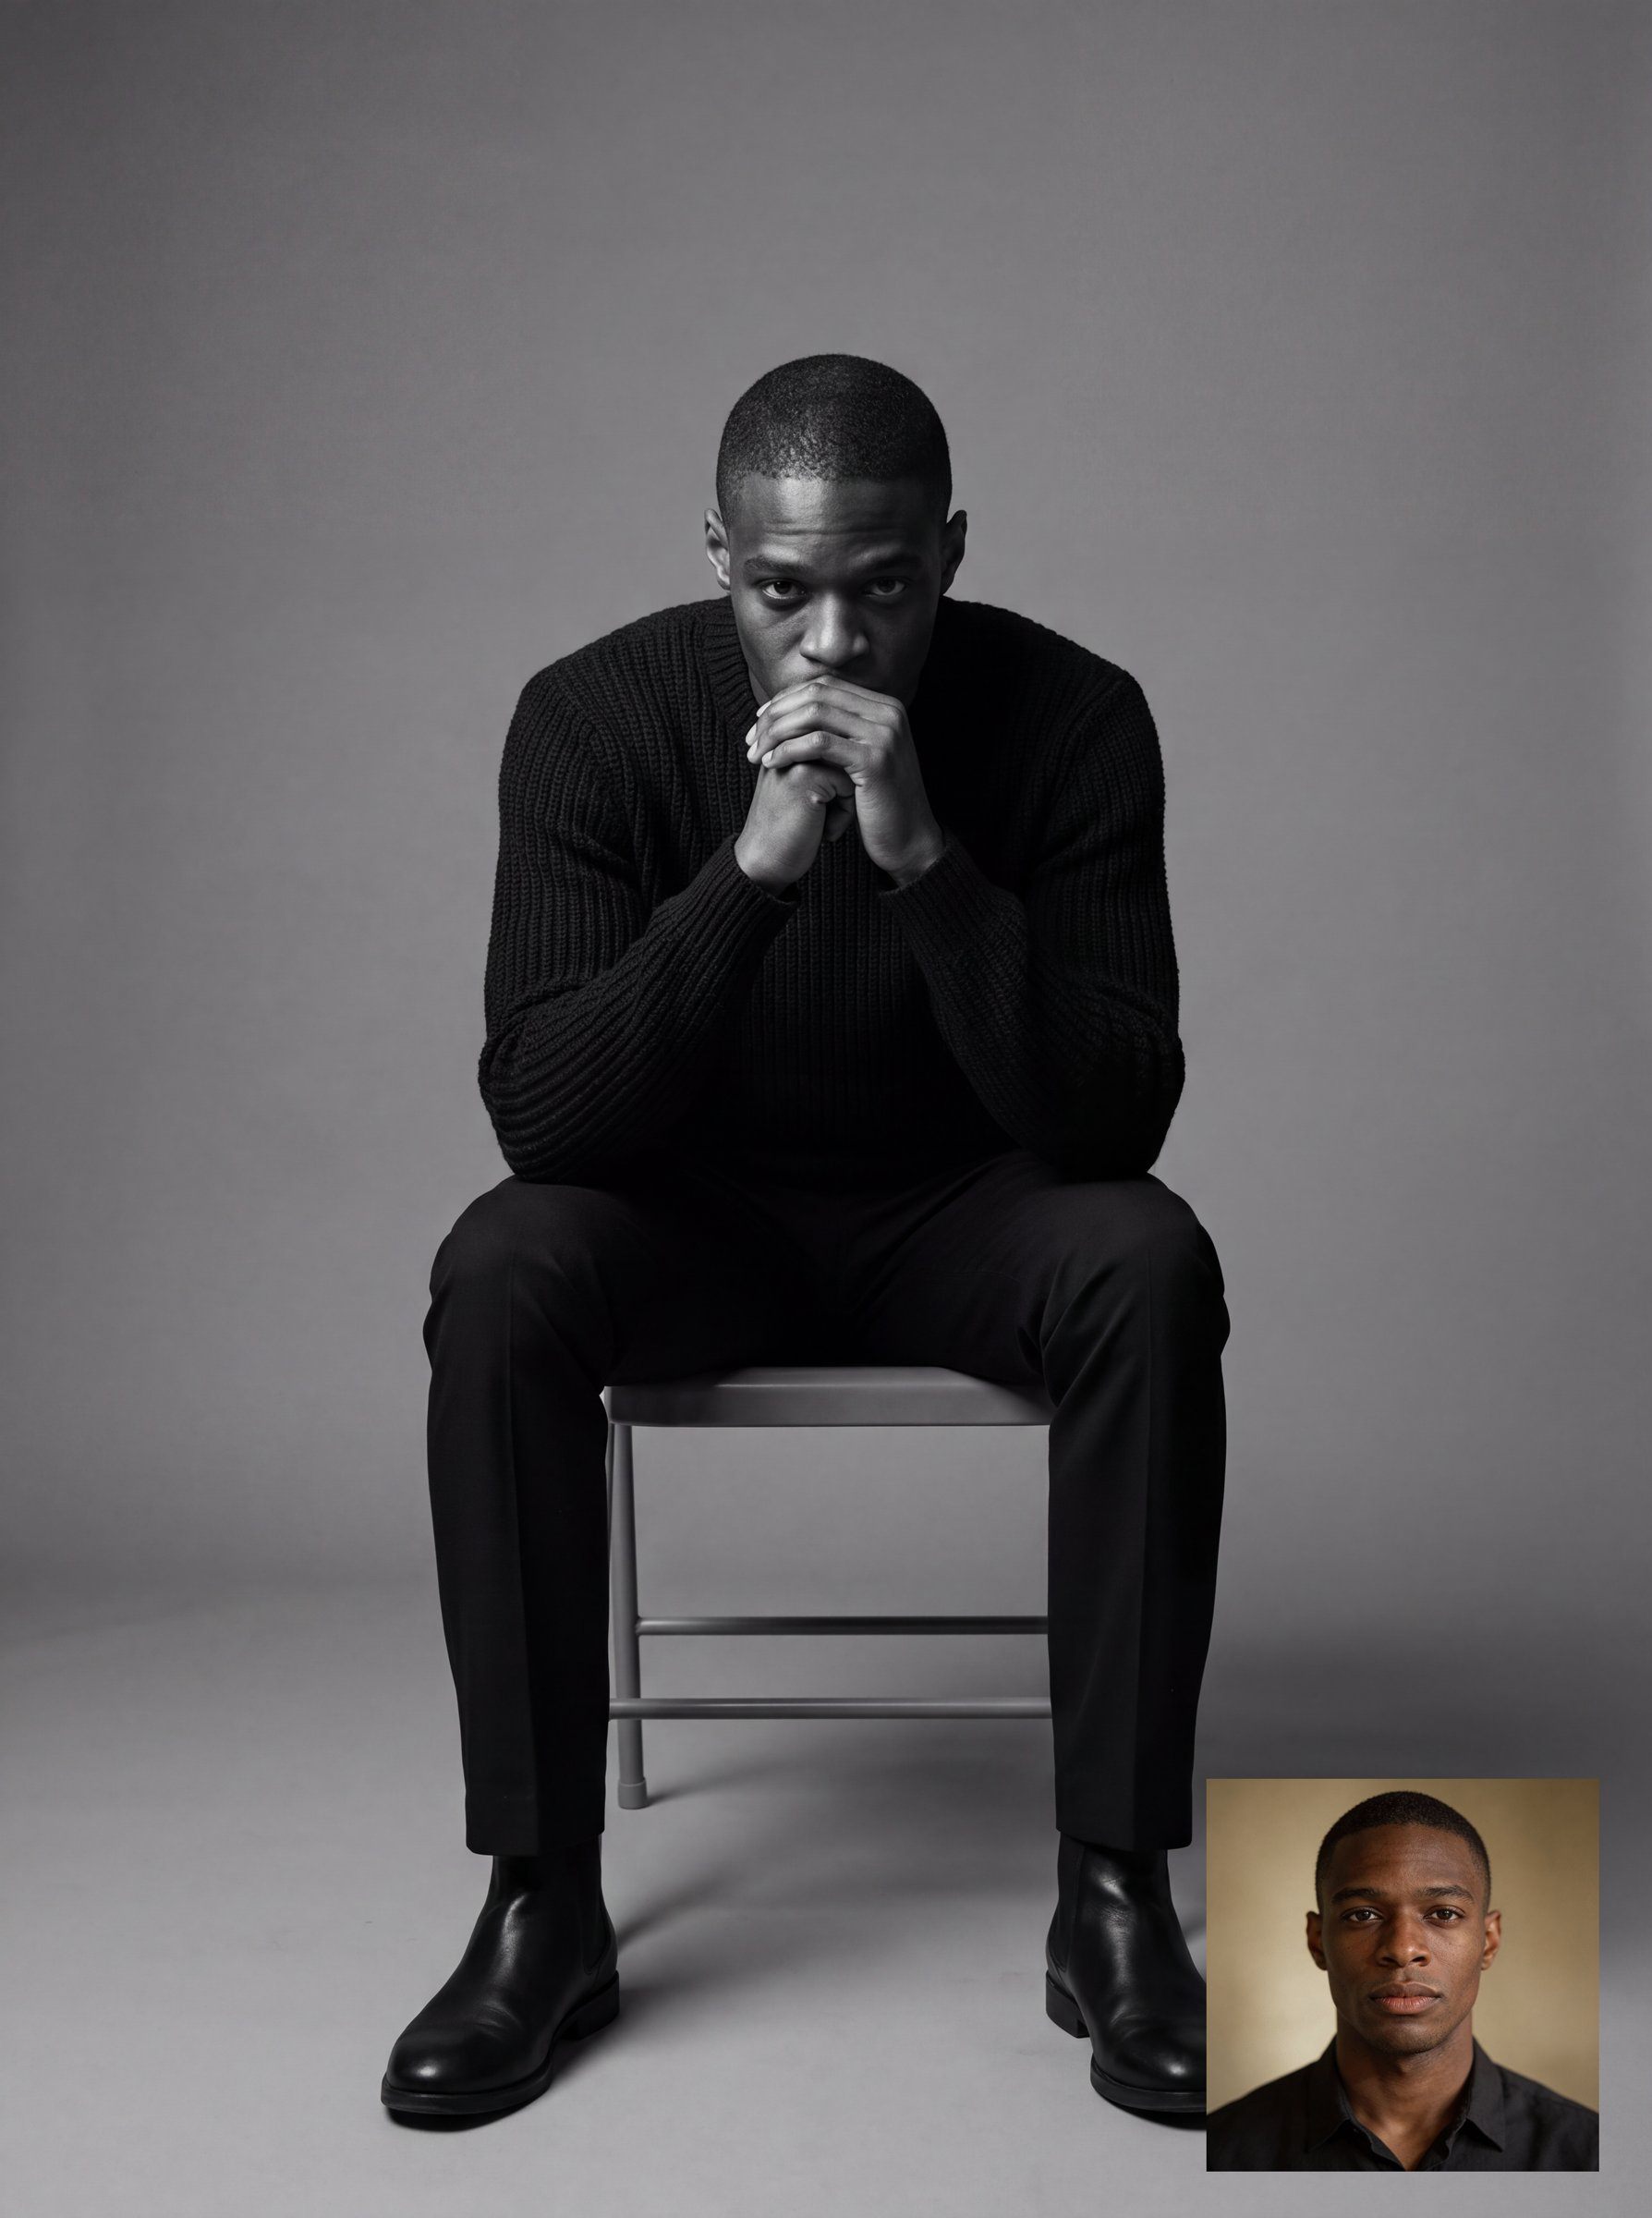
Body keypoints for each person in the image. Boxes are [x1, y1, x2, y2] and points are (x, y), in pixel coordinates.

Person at [380, 354, 1230, 2123]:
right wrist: (750, 878)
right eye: (782, 593)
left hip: (963, 1210)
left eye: (884, 587)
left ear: (951, 554)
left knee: (1149, 1258)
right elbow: (543, 1119)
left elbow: (1110, 1117)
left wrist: (925, 865)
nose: (832, 645)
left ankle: (1112, 1895)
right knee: (502, 1262)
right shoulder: (593, 720)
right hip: (697, 1216)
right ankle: (542, 1904)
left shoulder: (1074, 720)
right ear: (717, 558)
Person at [1206, 1789, 1599, 2171]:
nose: (1403, 1949)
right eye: (1363, 1915)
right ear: (1317, 1941)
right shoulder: (1219, 2153)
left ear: (1488, 1942)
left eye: (1443, 1914)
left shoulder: (1590, 2155)